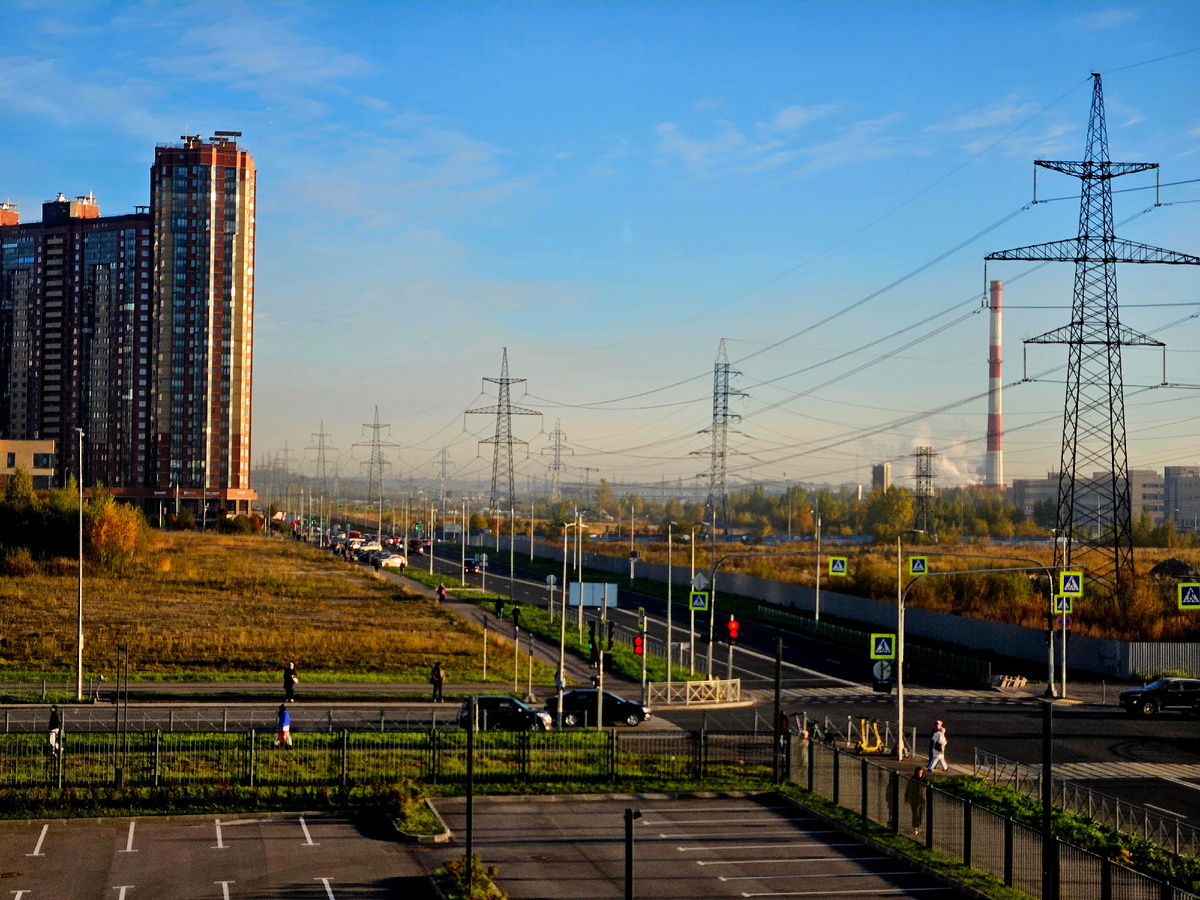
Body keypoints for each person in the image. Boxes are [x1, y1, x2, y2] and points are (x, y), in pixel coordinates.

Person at [906, 767, 928, 835]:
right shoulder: (913, 779)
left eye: (921, 772)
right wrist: (907, 797)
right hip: (914, 800)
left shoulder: (924, 780)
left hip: (922, 800)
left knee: (921, 815)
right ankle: (915, 827)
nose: (919, 774)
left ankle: (918, 826)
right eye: (918, 772)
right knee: (915, 814)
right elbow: (908, 788)